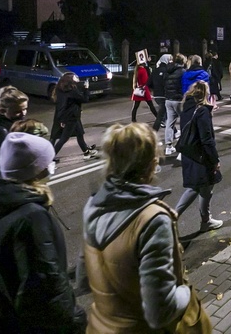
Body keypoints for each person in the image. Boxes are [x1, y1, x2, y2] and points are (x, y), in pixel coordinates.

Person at [79, 122, 212, 333]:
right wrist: (185, 292)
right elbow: (160, 312)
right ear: (151, 164)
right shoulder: (153, 219)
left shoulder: (93, 206)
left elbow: (83, 279)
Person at [0, 133, 85, 333]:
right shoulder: (30, 217)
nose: (51, 167)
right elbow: (45, 288)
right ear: (35, 171)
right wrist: (75, 321)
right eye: (48, 162)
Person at [175, 81, 223, 231]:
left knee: (204, 187)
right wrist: (215, 160)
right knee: (198, 187)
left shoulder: (187, 108)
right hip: (201, 156)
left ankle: (205, 219)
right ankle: (172, 217)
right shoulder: (202, 111)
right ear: (205, 94)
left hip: (189, 154)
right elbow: (207, 140)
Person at [51, 72, 98, 160]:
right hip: (71, 117)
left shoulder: (60, 89)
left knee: (80, 133)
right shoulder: (72, 91)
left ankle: (86, 152)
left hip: (69, 115)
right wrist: (86, 88)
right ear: (70, 80)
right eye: (74, 77)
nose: (77, 78)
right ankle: (50, 156)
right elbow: (84, 99)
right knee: (64, 138)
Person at [159, 54, 186, 157]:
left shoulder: (168, 70)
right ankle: (183, 147)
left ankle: (168, 147)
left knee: (169, 123)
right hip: (178, 100)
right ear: (182, 62)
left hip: (168, 99)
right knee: (185, 122)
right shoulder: (182, 72)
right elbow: (183, 85)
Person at [131, 57, 158, 122]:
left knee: (135, 106)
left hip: (138, 89)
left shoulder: (137, 70)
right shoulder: (143, 70)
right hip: (144, 90)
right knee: (151, 105)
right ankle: (159, 118)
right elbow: (145, 81)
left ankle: (133, 120)